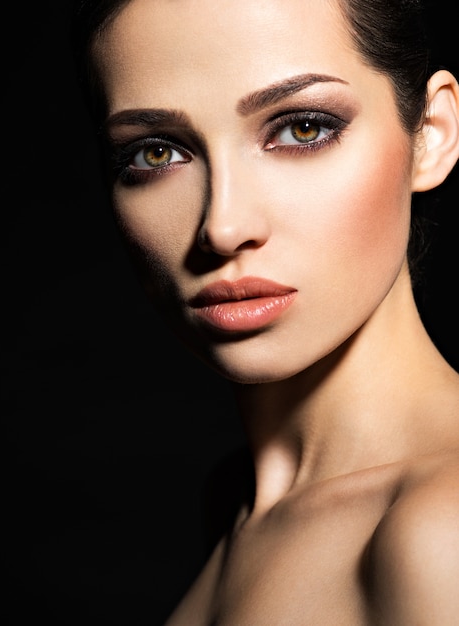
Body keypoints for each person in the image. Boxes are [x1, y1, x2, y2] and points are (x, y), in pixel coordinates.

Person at [70, 0, 459, 623]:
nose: (222, 227)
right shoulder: (239, 504)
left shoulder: (442, 531)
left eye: (302, 128)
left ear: (431, 134)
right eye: (156, 153)